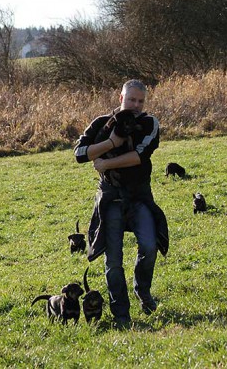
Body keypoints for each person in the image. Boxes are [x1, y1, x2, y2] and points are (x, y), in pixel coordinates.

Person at [74, 79, 169, 328]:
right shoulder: (102, 123)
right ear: (121, 98)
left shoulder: (150, 123)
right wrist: (111, 143)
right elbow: (80, 154)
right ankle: (121, 315)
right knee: (113, 261)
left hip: (139, 198)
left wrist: (105, 162)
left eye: (140, 101)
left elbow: (139, 156)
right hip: (110, 199)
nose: (136, 105)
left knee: (149, 246)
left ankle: (142, 290)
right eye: (131, 100)